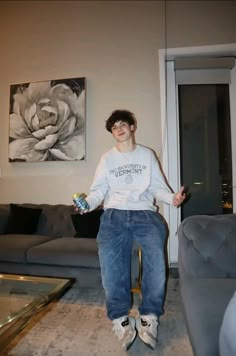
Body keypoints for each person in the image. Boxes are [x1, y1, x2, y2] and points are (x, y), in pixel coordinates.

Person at [75, 109, 186, 351]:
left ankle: (149, 316)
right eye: (114, 127)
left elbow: (158, 188)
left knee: (156, 262)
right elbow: (98, 191)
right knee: (111, 267)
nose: (118, 129)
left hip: (146, 214)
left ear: (132, 126)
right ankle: (120, 318)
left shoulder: (147, 155)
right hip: (114, 215)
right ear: (112, 133)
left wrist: (172, 198)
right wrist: (88, 204)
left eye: (122, 124)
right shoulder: (107, 158)